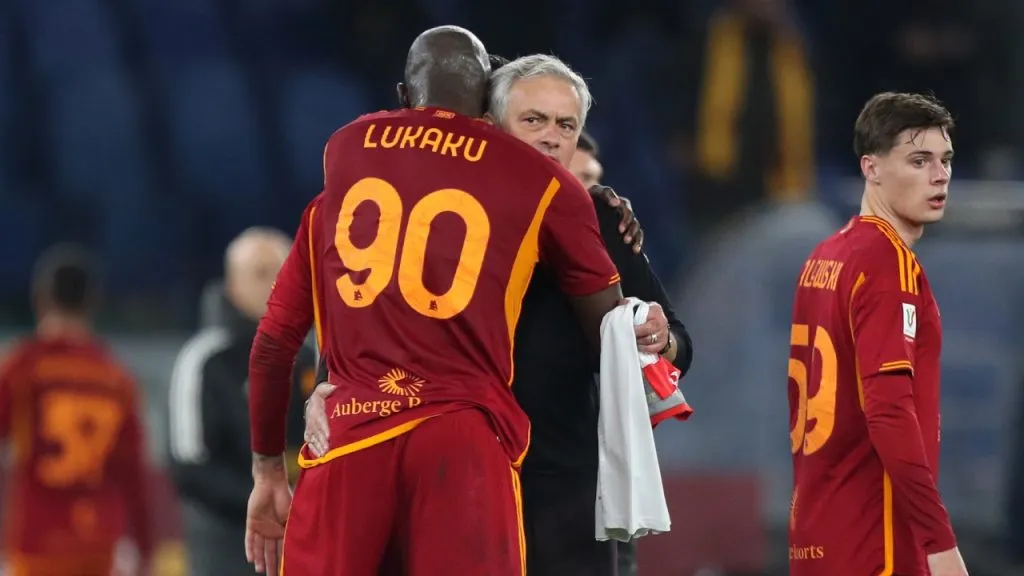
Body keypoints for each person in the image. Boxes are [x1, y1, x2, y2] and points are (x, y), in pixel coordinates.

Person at [245, 26, 623, 576]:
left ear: (404, 96)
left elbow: (273, 344)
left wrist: (266, 471)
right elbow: (609, 331)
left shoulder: (343, 167)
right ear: (489, 104)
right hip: (464, 439)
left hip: (350, 430)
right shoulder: (544, 184)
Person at [304, 60, 693, 576]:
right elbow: (362, 317)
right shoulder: (428, 209)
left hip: (559, 496)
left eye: (566, 125)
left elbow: (680, 346)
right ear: (486, 125)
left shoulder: (599, 221)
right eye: (533, 120)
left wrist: (660, 341)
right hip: (445, 487)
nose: (552, 138)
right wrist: (327, 386)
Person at [786, 92, 966, 576]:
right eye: (919, 160)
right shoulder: (889, 263)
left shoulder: (825, 257)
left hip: (816, 535)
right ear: (871, 167)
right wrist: (939, 543)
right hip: (876, 541)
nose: (940, 175)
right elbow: (888, 412)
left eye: (945, 160)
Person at [167, 228, 315, 576]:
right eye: (262, 273)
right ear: (233, 285)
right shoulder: (205, 360)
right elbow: (189, 466)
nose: (275, 284)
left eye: (283, 272)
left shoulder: (308, 357)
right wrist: (264, 501)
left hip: (297, 542)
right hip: (225, 545)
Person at [0, 245, 152, 575]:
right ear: (92, 304)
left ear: (39, 298)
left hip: (38, 541)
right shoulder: (116, 376)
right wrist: (146, 547)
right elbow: (133, 473)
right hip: (98, 541)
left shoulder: (23, 367)